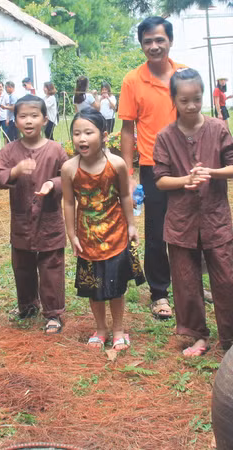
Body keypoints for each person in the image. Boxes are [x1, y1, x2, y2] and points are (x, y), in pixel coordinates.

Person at [153, 69, 233, 356]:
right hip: (181, 221)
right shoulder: (165, 137)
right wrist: (185, 180)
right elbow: (159, 179)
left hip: (215, 218)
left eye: (197, 99)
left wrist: (212, 172)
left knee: (226, 279)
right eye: (184, 100)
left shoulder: (218, 128)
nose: (192, 106)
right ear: (174, 100)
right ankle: (197, 336)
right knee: (185, 282)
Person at [119, 16, 186, 320]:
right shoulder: (133, 80)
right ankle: (159, 292)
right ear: (142, 45)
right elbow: (127, 129)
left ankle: (190, 283)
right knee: (157, 230)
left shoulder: (185, 74)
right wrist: (130, 174)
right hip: (153, 166)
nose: (154, 46)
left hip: (187, 165)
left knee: (191, 225)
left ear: (169, 41)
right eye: (148, 41)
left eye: (159, 40)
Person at [61, 109, 143, 352]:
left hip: (116, 235)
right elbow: (68, 202)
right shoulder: (69, 168)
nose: (82, 139)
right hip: (87, 239)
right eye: (77, 134)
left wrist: (131, 225)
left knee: (116, 286)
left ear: (104, 135)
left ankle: (118, 329)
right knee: (94, 288)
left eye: (88, 132)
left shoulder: (115, 164)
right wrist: (72, 234)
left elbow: (126, 196)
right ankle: (100, 329)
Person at [0, 95, 68, 334]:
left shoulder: (55, 149)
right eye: (23, 116)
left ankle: (53, 313)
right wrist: (15, 170)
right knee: (21, 265)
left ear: (45, 119)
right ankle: (27, 305)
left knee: (51, 265)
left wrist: (53, 184)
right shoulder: (10, 150)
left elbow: (69, 175)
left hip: (49, 219)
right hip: (22, 220)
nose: (29, 121)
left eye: (34, 116)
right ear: (14, 121)